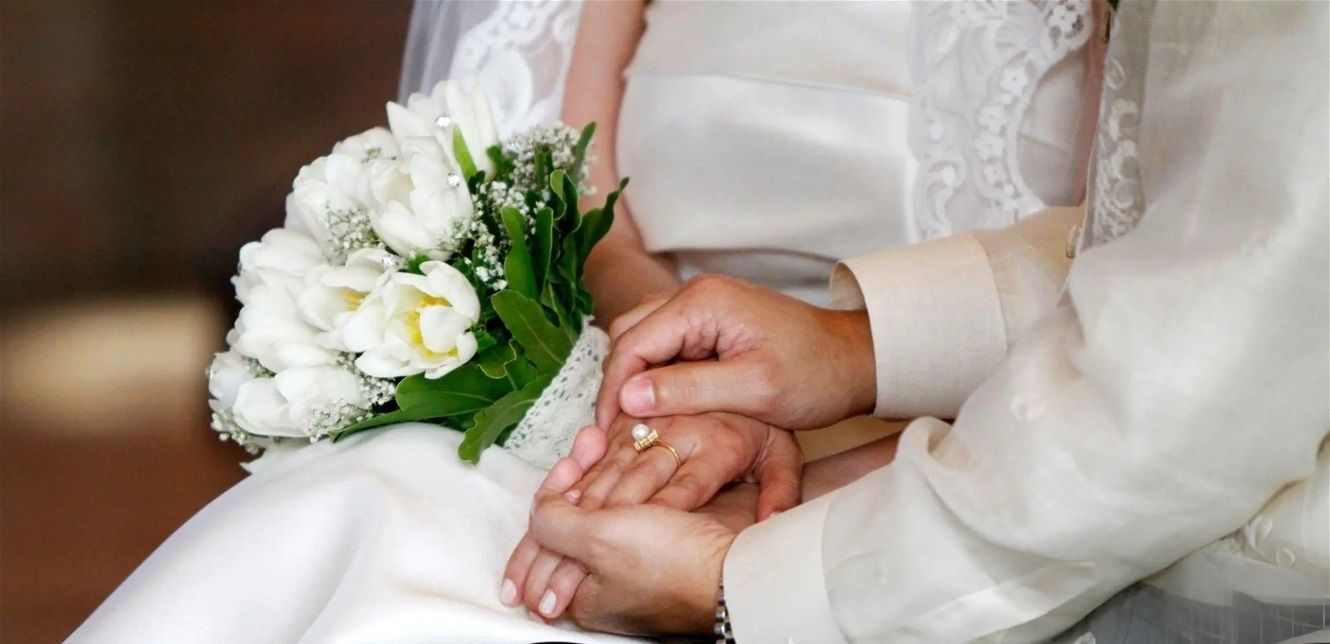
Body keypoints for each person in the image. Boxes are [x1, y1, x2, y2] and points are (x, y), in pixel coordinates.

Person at [71, 1, 1106, 641]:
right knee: (361, 506)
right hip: (637, 401)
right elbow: (577, 175)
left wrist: (787, 496)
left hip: (968, 456)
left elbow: (1135, 301)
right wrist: (670, 375)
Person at [518, 1, 1330, 641]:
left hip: (1066, 516)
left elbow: (1208, 357)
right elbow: (1159, 238)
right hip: (860, 459)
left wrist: (742, 579)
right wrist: (827, 351)